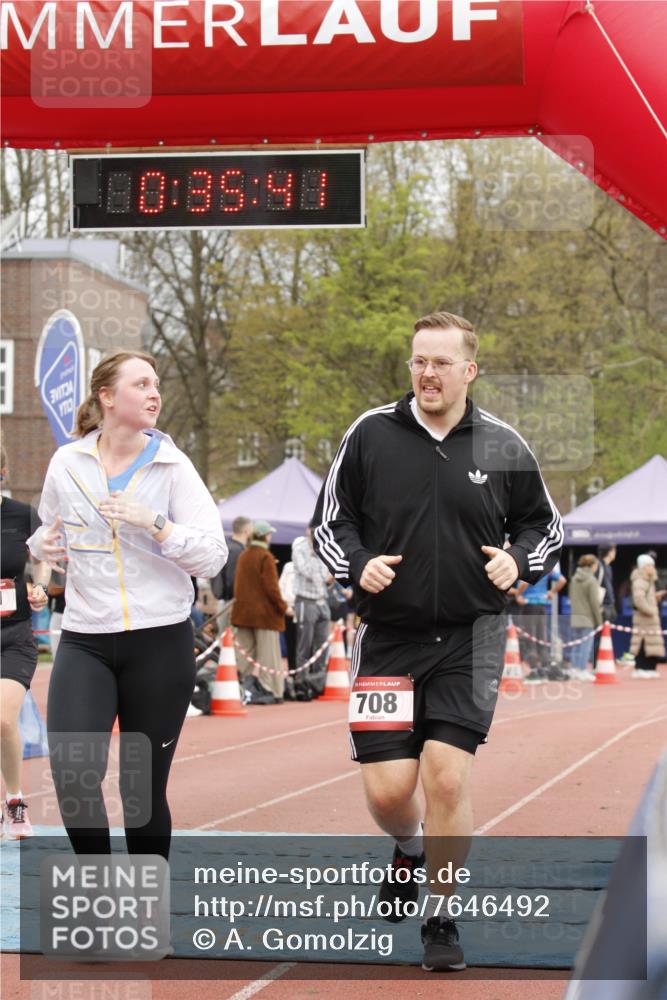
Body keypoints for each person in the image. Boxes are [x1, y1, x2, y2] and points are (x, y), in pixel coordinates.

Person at [312, 310, 563, 973]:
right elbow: (329, 523)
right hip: (388, 640)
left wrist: (518, 561)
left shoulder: (501, 443)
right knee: (390, 793)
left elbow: (545, 526)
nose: (427, 373)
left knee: (447, 776)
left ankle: (440, 915)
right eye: (418, 361)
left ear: (468, 371)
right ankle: (408, 847)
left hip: (470, 638)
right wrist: (357, 563)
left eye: (441, 363)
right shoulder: (370, 433)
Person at [27, 350, 227, 860]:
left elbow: (212, 555)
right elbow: (47, 534)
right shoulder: (67, 463)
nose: (154, 393)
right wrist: (41, 549)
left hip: (159, 643)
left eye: (156, 384)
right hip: (85, 639)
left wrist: (155, 523)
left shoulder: (173, 467)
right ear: (107, 396)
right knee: (73, 776)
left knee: (140, 790)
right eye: (141, 384)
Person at [0, 445, 50, 838]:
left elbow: (43, 556)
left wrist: (40, 587)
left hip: (14, 634)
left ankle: (15, 801)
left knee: (3, 719)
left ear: (2, 472)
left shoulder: (21, 514)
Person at [231, 520, 287, 702]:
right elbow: (272, 588)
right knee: (269, 656)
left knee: (244, 655)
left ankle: (239, 688)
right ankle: (271, 690)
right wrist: (283, 607)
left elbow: (237, 586)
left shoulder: (244, 555)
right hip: (264, 616)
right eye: (270, 534)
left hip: (243, 613)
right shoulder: (265, 556)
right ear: (265, 536)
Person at [292, 528, 332, 698]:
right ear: (308, 531)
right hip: (306, 600)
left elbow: (329, 573)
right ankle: (301, 684)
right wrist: (318, 560)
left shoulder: (325, 546)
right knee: (305, 645)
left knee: (323, 646)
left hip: (322, 600)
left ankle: (317, 684)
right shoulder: (300, 548)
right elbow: (307, 571)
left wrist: (327, 576)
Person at [517, 562, 567, 683]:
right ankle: (544, 669)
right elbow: (562, 580)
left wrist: (518, 594)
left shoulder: (527, 565)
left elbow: (524, 583)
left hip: (529, 604)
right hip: (542, 605)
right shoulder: (546, 566)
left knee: (530, 638)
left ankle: (534, 671)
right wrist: (551, 592)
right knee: (541, 638)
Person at [630, 554, 666, 679]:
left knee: (652, 643)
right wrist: (651, 611)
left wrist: (655, 598)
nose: (653, 568)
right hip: (644, 619)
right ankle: (641, 667)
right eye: (650, 565)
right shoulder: (640, 580)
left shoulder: (649, 581)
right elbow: (639, 600)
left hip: (650, 619)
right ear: (644, 567)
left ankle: (650, 667)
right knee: (643, 642)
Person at [568, 554, 602, 680]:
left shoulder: (574, 578)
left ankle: (574, 669)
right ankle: (582, 669)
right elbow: (594, 603)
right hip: (587, 618)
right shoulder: (591, 580)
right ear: (592, 565)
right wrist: (599, 621)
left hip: (575, 616)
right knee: (585, 646)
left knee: (576, 644)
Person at [210, 515, 252, 602]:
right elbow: (232, 579)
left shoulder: (226, 546)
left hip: (225, 599)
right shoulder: (237, 551)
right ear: (247, 531)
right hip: (233, 601)